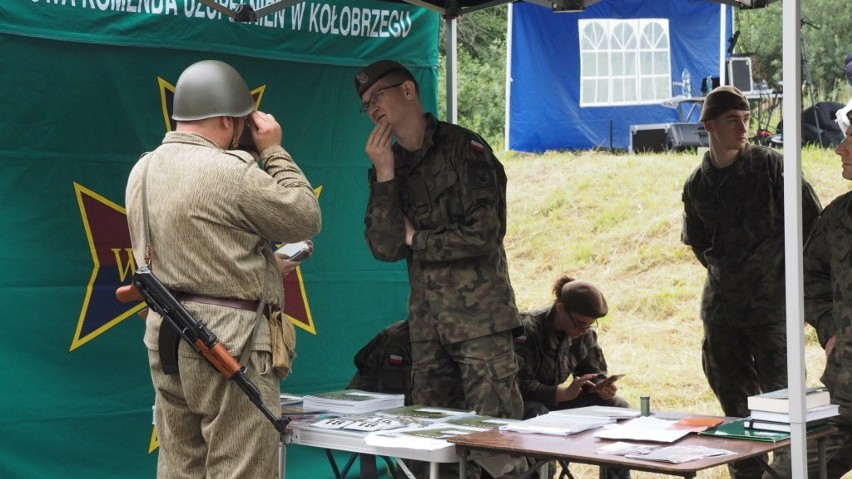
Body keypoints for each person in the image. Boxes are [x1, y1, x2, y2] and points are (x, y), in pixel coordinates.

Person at [126, 59, 321, 478]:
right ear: (227, 120)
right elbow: (305, 216)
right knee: (242, 468)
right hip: (230, 344)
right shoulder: (232, 172)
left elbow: (193, 249)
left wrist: (264, 267)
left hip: (168, 338)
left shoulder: (142, 169)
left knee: (180, 467)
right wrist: (272, 150)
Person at [355, 60, 524, 477]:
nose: (373, 108)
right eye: (365, 104)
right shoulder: (389, 165)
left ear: (409, 91)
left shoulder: (464, 150)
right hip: (428, 329)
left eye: (378, 96)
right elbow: (383, 246)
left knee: (496, 444)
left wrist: (420, 240)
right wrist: (385, 175)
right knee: (430, 444)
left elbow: (486, 232)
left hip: (481, 324)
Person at [680, 85, 823, 479]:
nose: (743, 128)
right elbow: (699, 243)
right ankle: (748, 474)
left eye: (746, 119)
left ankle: (789, 473)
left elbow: (812, 226)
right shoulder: (698, 183)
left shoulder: (771, 166)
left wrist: (785, 280)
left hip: (773, 308)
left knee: (785, 402)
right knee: (735, 406)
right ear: (709, 125)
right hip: (723, 312)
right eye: (732, 120)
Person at [762, 102, 852, 479]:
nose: (839, 149)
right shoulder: (838, 216)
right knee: (786, 472)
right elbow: (805, 279)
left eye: (851, 140)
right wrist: (831, 330)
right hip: (844, 397)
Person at [514, 276, 630, 479]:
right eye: (580, 324)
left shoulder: (583, 333)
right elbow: (518, 385)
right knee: (539, 414)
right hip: (521, 405)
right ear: (560, 309)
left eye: (589, 325)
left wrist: (601, 387)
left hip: (557, 403)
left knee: (616, 407)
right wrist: (562, 393)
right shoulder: (528, 329)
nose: (583, 330)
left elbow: (593, 371)